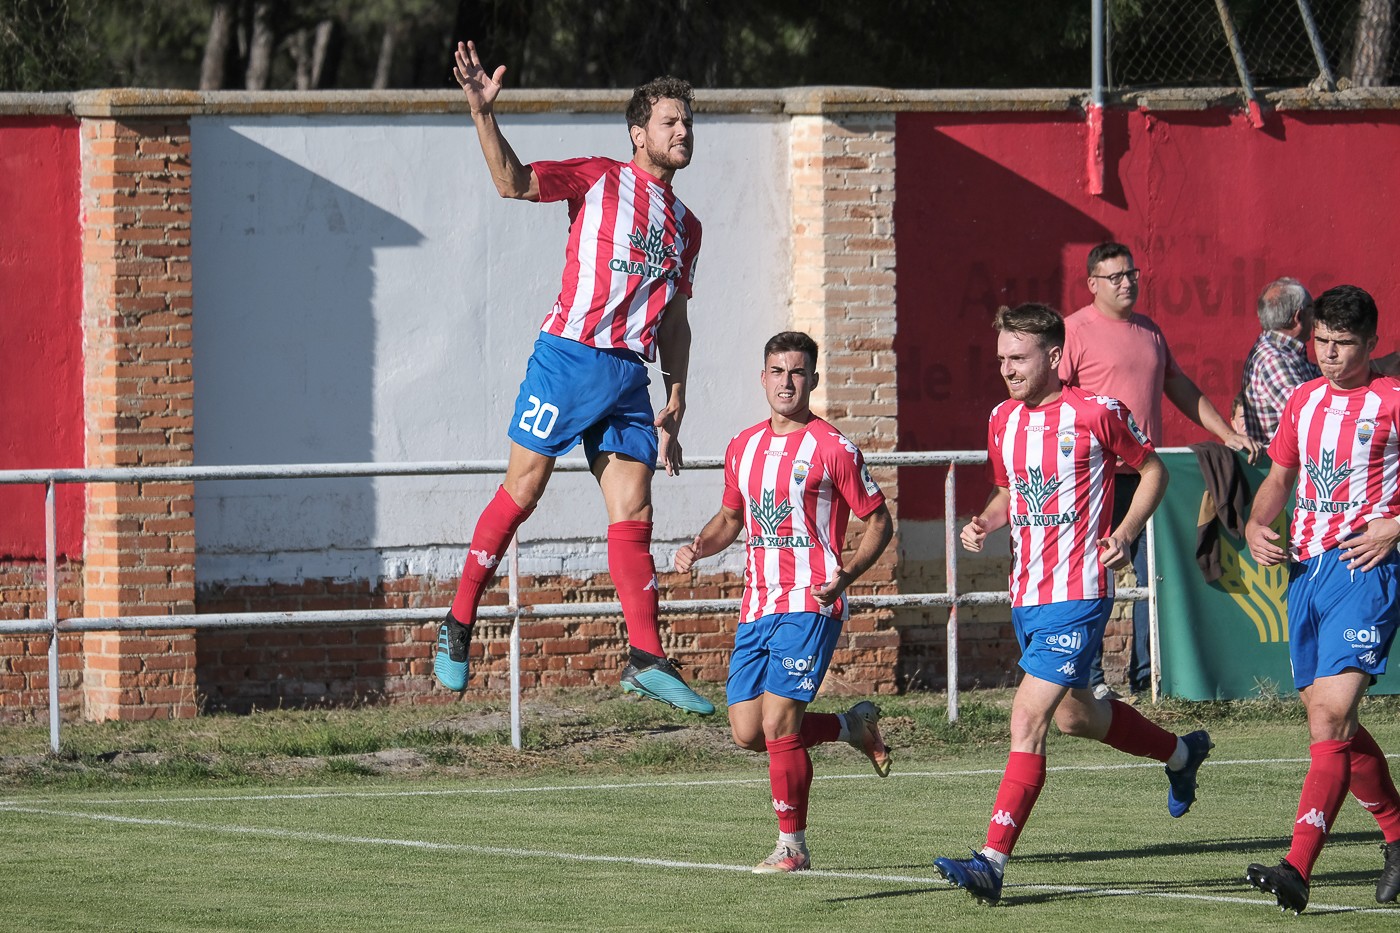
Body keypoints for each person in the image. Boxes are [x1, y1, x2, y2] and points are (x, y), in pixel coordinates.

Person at [433, 40, 713, 715]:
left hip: (627, 377)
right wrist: (481, 115)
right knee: (523, 491)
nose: (683, 132)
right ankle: (460, 618)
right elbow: (512, 181)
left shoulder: (687, 227)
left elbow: (674, 320)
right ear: (637, 133)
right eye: (670, 122)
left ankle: (647, 656)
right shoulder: (599, 177)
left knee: (635, 510)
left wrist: (675, 399)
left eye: (688, 123)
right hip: (567, 357)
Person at [934, 303, 1213, 905]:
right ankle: (1182, 753)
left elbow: (1153, 470)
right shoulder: (1002, 419)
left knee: (1026, 719)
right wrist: (983, 521)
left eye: (1019, 358)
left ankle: (992, 861)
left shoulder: (1097, 412)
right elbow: (1010, 490)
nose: (1006, 370)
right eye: (1002, 358)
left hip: (1080, 592)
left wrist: (1126, 532)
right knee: (1076, 717)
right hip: (1027, 594)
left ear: (1056, 359)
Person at [673, 331, 894, 873]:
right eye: (777, 371)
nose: (786, 382)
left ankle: (791, 846)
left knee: (778, 722)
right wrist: (699, 546)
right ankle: (851, 727)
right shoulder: (742, 446)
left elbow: (878, 520)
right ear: (763, 377)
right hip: (757, 604)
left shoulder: (833, 447)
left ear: (813, 379)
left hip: (811, 601)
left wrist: (846, 577)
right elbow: (730, 519)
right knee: (749, 731)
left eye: (797, 372)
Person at [1243, 284, 1400, 913]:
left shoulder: (1392, 401)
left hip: (1366, 567)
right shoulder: (1303, 400)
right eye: (1322, 342)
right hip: (1306, 575)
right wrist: (1256, 525)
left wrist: (1395, 526)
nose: (1330, 355)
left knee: (1331, 717)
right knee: (1333, 724)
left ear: (1372, 344)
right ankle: (1397, 834)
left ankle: (1297, 866)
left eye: (1344, 344)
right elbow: (1280, 476)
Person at [1060, 242, 1262, 698]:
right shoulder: (1073, 331)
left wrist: (1227, 433)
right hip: (1093, 478)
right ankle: (1087, 681)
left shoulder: (1149, 331)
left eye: (1131, 274)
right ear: (1093, 283)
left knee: (1156, 579)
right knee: (1093, 577)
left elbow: (1181, 388)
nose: (1128, 282)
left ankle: (1148, 678)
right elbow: (1056, 399)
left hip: (1147, 477)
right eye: (1116, 277)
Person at [1239, 277, 1320, 446]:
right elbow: (1310, 415)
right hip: (1285, 467)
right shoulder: (1274, 359)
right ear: (1298, 316)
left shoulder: (1284, 352)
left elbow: (1324, 382)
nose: (1315, 318)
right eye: (1312, 309)